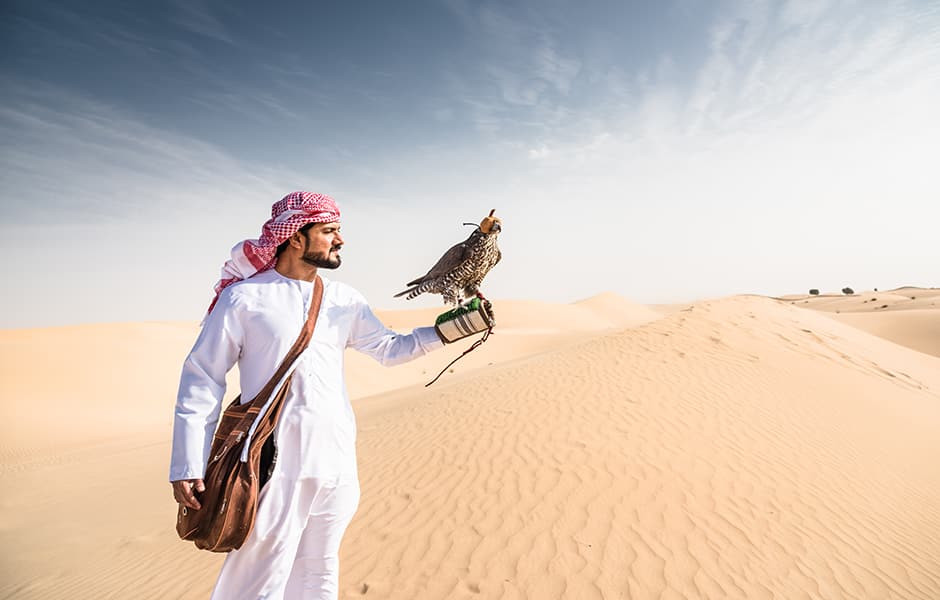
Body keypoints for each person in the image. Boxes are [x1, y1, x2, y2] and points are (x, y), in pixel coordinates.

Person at [170, 191, 448, 599]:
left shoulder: (344, 300)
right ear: (295, 237)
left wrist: (446, 332)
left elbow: (390, 349)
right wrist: (187, 462)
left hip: (336, 463)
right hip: (274, 466)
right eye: (329, 230)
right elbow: (202, 377)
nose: (340, 240)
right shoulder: (244, 298)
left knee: (319, 577)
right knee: (259, 580)